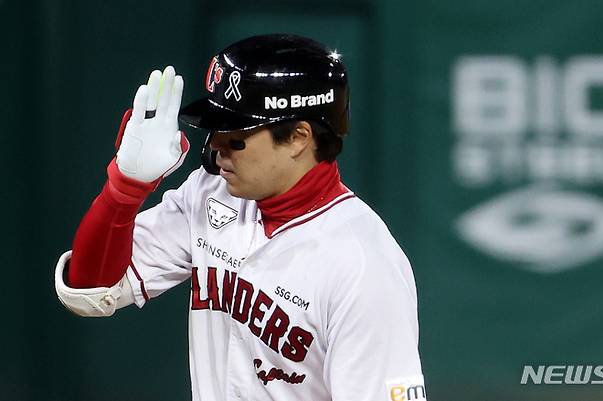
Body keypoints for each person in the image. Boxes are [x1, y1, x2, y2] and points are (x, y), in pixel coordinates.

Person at [54, 34, 426, 401]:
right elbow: (91, 290)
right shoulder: (210, 192)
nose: (215, 145)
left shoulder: (363, 267)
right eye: (216, 127)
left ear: (298, 137)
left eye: (236, 134)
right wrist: (125, 188)